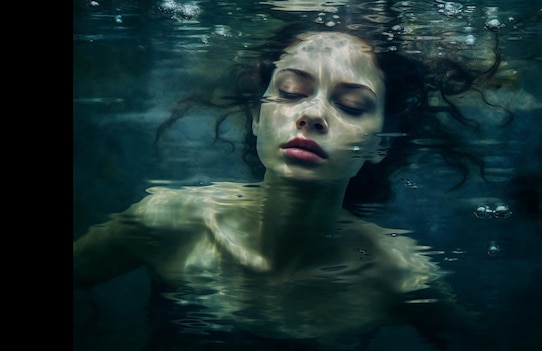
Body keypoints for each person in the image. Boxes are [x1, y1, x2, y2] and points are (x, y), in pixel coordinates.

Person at [74, 22, 508, 351]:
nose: (313, 114)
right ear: (258, 116)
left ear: (380, 144)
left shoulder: (400, 278)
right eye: (290, 91)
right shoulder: (170, 221)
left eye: (351, 105)